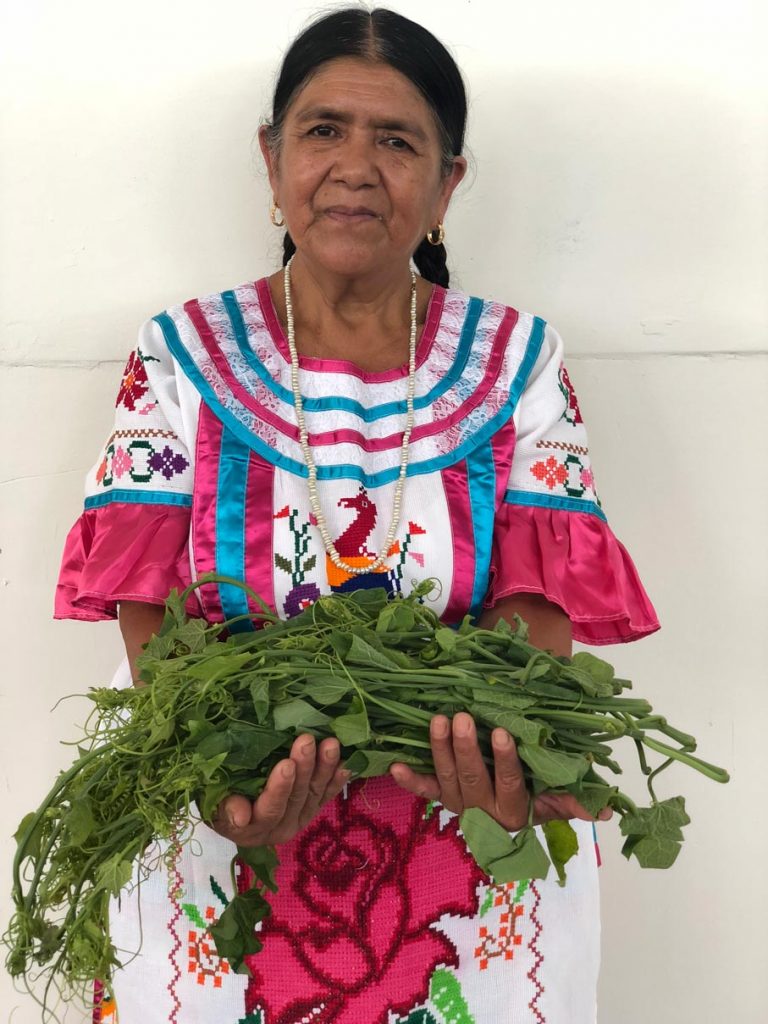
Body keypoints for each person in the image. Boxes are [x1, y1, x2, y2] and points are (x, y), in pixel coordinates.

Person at [55, 7, 659, 1023]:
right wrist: (215, 774)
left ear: (447, 182)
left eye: (397, 140)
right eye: (323, 130)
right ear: (272, 156)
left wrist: (503, 752)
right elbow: (149, 611)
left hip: (463, 834)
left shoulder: (518, 361)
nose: (355, 166)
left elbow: (538, 612)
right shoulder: (182, 354)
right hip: (229, 816)